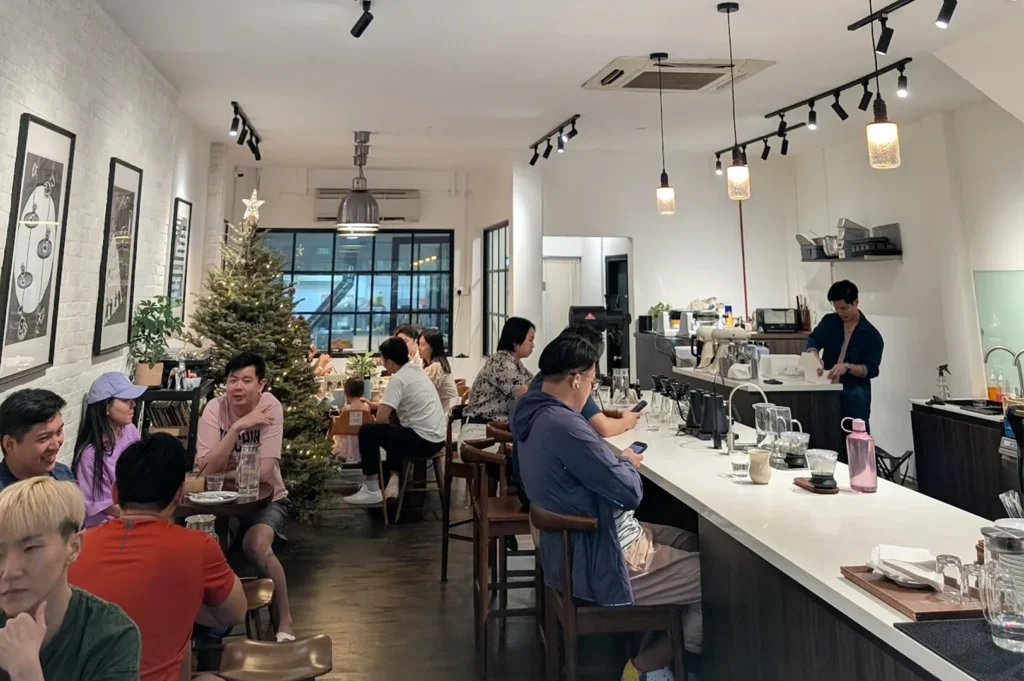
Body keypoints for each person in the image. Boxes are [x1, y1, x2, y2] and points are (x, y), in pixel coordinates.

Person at [513, 335, 701, 681]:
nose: (592, 387)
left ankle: (656, 649)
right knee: (717, 581)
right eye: (592, 380)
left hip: (570, 546)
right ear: (575, 379)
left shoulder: (531, 411)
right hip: (604, 555)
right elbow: (629, 492)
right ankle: (651, 666)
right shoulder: (566, 426)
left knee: (693, 541)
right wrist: (627, 461)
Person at [69, 433, 247, 681]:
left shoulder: (75, 547)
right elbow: (235, 613)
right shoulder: (197, 546)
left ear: (115, 492)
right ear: (179, 494)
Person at [196, 351, 295, 641]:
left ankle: (285, 619)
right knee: (211, 547)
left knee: (256, 545)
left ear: (261, 385)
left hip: (268, 499)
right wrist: (238, 427)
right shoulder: (215, 409)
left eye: (246, 380)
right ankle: (211, 625)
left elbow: (264, 473)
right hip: (222, 501)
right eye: (232, 380)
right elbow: (204, 469)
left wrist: (222, 470)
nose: (238, 387)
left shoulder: (271, 408)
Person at [0, 477, 140, 681]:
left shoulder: (109, 635)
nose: (9, 571)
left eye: (30, 548)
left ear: (73, 547)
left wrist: (26, 672)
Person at [342, 337, 447, 506]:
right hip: (438, 439)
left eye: (383, 359)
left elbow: (382, 418)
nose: (382, 363)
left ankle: (372, 489)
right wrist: (378, 405)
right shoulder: (416, 370)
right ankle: (393, 479)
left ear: (389, 362)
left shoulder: (397, 379)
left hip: (423, 441)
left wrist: (378, 408)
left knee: (368, 431)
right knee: (395, 430)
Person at [71, 373, 146, 528]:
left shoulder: (130, 430)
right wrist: (146, 517)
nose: (133, 404)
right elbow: (108, 506)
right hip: (107, 526)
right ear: (106, 407)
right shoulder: (89, 456)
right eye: (125, 400)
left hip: (133, 514)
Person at [807, 280, 884, 428]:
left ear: (856, 303)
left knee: (853, 440)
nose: (840, 312)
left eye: (845, 308)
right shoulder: (830, 321)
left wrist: (848, 367)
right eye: (837, 308)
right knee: (825, 435)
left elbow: (871, 369)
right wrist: (813, 354)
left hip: (855, 396)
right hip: (827, 389)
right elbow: (814, 339)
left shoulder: (871, 336)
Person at [463, 317, 536, 439]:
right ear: (515, 342)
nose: (533, 346)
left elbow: (535, 384)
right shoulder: (500, 362)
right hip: (480, 431)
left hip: (497, 430)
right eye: (530, 340)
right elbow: (525, 393)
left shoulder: (515, 364)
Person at [0, 389, 73, 492]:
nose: (56, 445)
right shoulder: (4, 499)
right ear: (9, 444)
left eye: (59, 432)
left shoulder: (63, 474)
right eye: (44, 438)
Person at [333, 377, 372, 464]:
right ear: (362, 391)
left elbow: (341, 426)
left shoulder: (347, 408)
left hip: (348, 441)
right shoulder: (366, 407)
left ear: (346, 392)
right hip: (363, 440)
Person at [419, 328, 459, 412]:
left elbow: (422, 392)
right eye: (419, 344)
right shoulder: (434, 363)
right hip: (440, 408)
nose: (419, 348)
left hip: (446, 412)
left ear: (433, 347)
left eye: (423, 345)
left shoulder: (436, 366)